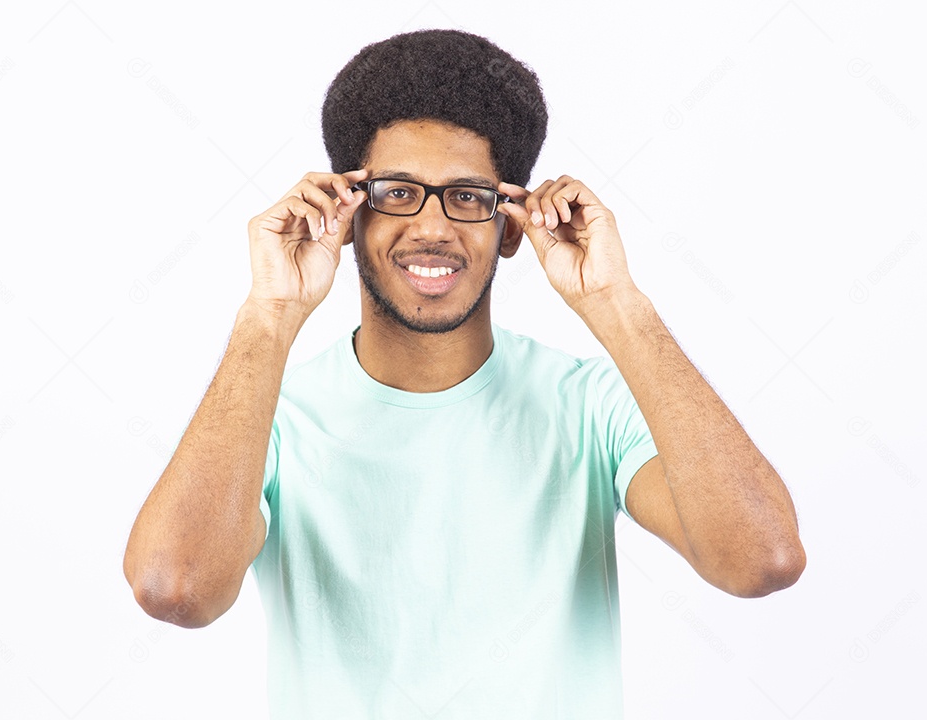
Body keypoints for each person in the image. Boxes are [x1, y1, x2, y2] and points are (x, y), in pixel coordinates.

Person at [123, 29, 806, 718]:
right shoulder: (268, 419)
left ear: (509, 227)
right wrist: (269, 316)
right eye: (397, 193)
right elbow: (176, 588)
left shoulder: (592, 406)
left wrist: (614, 301)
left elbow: (763, 559)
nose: (432, 228)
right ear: (347, 213)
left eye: (469, 197)